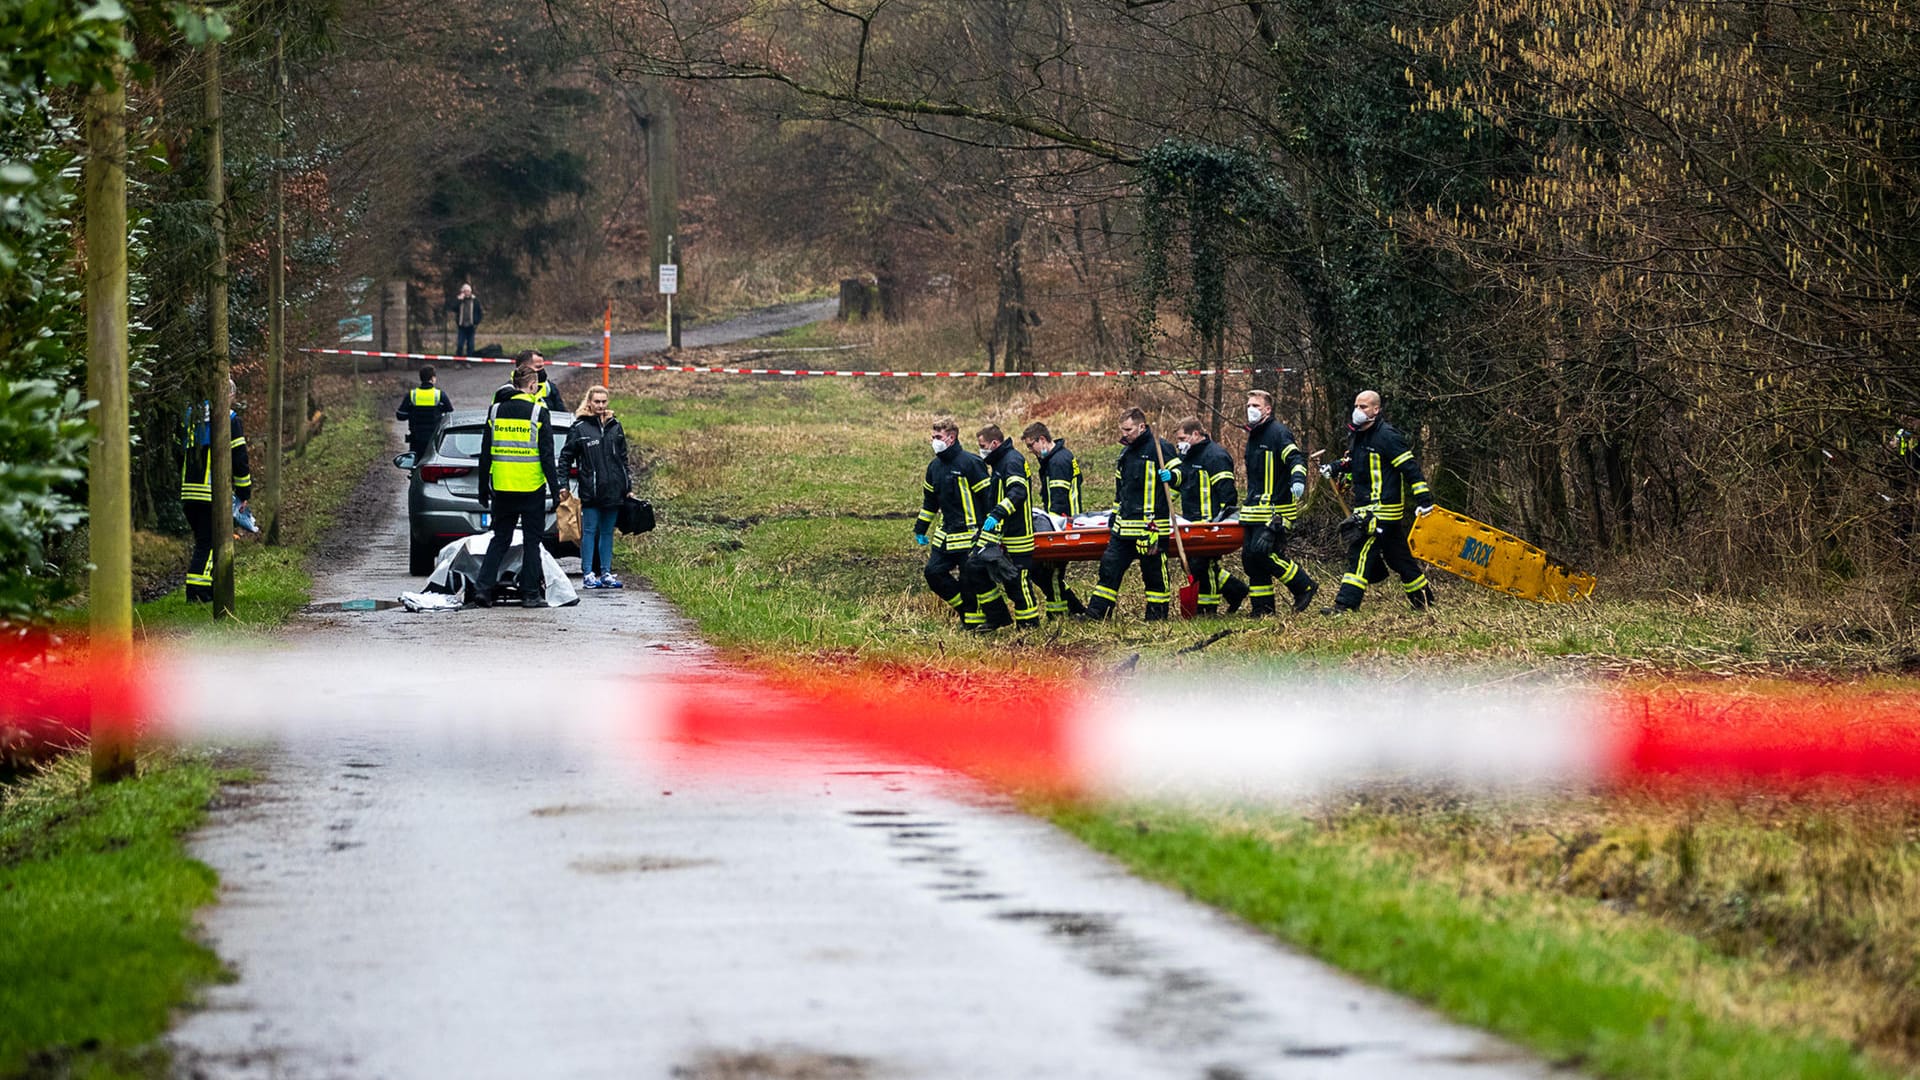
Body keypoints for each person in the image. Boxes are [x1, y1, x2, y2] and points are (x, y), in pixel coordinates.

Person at [1328, 389, 1435, 614]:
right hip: (1366, 507)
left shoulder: (1387, 436)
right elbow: (1353, 463)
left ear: (1376, 409)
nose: (1358, 411)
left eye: (1364, 407)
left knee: (1360, 551)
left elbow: (1410, 468)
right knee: (1399, 559)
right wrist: (1335, 468)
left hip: (1382, 509)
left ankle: (1345, 605)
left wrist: (1424, 499)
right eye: (1356, 406)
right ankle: (1423, 599)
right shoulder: (1357, 435)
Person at [472, 366, 561, 608]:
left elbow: (485, 453)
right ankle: (530, 594)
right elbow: (546, 455)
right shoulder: (538, 412)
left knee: (500, 539)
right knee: (532, 541)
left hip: (502, 486)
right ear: (532, 386)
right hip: (531, 487)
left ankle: (483, 590)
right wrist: (556, 490)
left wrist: (482, 487)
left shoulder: (496, 410)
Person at [1083, 407, 1181, 621]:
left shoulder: (1160, 448)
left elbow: (1183, 478)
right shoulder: (1125, 453)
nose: (1124, 434)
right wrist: (1115, 513)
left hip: (1151, 528)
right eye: (1122, 429)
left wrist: (1172, 478)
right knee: (1109, 567)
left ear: (1141, 426)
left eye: (1128, 429)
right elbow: (1121, 489)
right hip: (1124, 526)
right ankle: (1097, 613)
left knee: (1153, 573)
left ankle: (1157, 616)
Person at [914, 417, 996, 631]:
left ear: (951, 438)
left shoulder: (970, 463)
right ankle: (966, 611)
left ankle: (979, 621)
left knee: (971, 580)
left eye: (938, 437)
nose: (934, 441)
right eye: (932, 437)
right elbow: (930, 502)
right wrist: (920, 528)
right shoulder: (934, 467)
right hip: (945, 535)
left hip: (970, 534)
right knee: (933, 573)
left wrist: (991, 527)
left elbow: (987, 498)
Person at [1241, 390, 1319, 615]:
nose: (1250, 409)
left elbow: (1296, 459)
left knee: (1263, 552)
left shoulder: (1279, 433)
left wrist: (1298, 480)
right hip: (1253, 510)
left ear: (1268, 409)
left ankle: (1303, 585)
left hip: (1275, 510)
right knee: (1250, 559)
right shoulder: (1253, 435)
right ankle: (1262, 609)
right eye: (1248, 405)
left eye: (1255, 405)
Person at [180, 380, 251, 603]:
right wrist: (244, 491)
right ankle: (198, 593)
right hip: (211, 493)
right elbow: (239, 458)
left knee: (203, 542)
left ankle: (201, 589)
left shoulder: (191, 417)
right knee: (209, 543)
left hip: (189, 492)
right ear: (228, 395)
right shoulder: (229, 419)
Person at [559, 385, 632, 589]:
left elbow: (624, 459)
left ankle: (606, 572)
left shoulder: (615, 426)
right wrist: (562, 485)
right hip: (591, 490)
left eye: (603, 401)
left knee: (608, 532)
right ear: (589, 402)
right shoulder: (579, 428)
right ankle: (588, 573)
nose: (600, 405)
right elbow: (565, 458)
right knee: (589, 531)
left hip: (614, 489)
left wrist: (628, 485)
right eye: (597, 401)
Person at [1175, 416, 1249, 615]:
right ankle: (1235, 590)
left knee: (1203, 565)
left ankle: (1207, 609)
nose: (1179, 444)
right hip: (1191, 521)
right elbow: (1180, 487)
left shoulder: (1215, 456)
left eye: (1182, 438)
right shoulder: (1187, 457)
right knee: (1192, 564)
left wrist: (1223, 522)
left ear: (1196, 434)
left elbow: (1227, 492)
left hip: (1211, 521)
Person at [975, 424, 1040, 629]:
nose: (981, 449)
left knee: (1019, 580)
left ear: (995, 443)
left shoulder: (1012, 461)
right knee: (977, 567)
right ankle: (1001, 617)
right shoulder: (1000, 461)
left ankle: (1029, 623)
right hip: (1003, 532)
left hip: (1018, 533)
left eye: (983, 445)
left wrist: (997, 513)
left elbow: (1018, 492)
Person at [1021, 422, 1085, 617]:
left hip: (1063, 524)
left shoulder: (1057, 462)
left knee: (1053, 573)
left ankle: (1059, 615)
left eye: (1031, 446)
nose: (1031, 451)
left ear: (1042, 440)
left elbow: (1059, 500)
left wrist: (1050, 535)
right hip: (1064, 522)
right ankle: (1075, 609)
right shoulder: (1057, 458)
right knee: (1044, 572)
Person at [395, 365, 454, 456]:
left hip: (416, 438)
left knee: (415, 463)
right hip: (435, 438)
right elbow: (450, 414)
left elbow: (400, 415)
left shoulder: (412, 395)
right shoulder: (439, 395)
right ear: (433, 378)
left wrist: (412, 413)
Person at [449, 283, 483, 357]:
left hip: (471, 326)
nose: (467, 293)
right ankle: (458, 361)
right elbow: (453, 308)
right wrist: (459, 300)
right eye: (466, 291)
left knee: (471, 345)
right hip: (462, 326)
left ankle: (469, 361)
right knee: (460, 345)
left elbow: (480, 312)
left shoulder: (475, 301)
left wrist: (476, 322)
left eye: (468, 291)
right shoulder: (459, 301)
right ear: (463, 292)